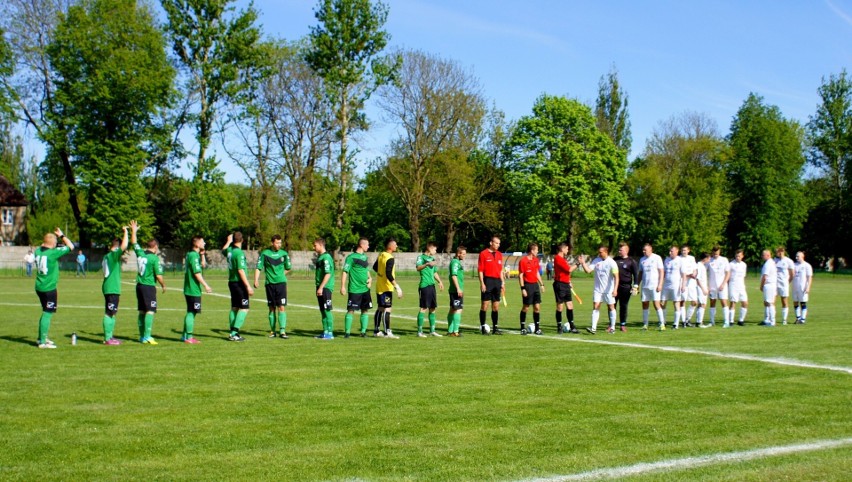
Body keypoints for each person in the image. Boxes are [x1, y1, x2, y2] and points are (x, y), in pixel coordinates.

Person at [33, 227, 74, 348]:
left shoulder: (37, 251)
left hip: (39, 286)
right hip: (49, 287)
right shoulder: (53, 253)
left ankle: (42, 337)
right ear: (52, 243)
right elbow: (71, 246)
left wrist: (50, 239)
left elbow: (42, 245)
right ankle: (42, 342)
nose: (57, 243)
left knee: (45, 311)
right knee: (47, 312)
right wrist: (62, 235)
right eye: (55, 241)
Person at [131, 226, 166, 344]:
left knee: (141, 311)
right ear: (155, 246)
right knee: (150, 311)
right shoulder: (154, 258)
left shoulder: (140, 253)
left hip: (139, 286)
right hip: (148, 286)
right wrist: (163, 285)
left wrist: (134, 231)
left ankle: (142, 336)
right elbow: (159, 275)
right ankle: (147, 336)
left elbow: (134, 242)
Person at [254, 234, 292, 338]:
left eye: (280, 243)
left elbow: (288, 267)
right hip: (269, 284)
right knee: (271, 308)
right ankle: (272, 331)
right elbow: (258, 267)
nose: (279, 245)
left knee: (281, 307)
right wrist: (256, 279)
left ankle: (282, 331)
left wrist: (280, 275)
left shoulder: (284, 254)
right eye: (277, 243)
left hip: (281, 284)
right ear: (272, 243)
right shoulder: (265, 254)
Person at [578, 246, 619, 334]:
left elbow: (616, 277)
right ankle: (593, 328)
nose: (599, 254)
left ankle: (612, 327)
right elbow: (588, 271)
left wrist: (615, 289)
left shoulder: (612, 263)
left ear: (606, 252)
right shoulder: (596, 260)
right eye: (599, 252)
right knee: (596, 307)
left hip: (608, 290)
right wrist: (583, 263)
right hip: (598, 290)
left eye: (601, 252)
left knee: (611, 307)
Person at [101, 224, 130, 345]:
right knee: (110, 312)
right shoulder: (112, 255)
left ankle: (110, 337)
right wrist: (126, 231)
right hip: (111, 287)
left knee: (112, 312)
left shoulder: (107, 256)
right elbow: (124, 245)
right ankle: (108, 338)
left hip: (110, 287)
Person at [223, 232, 254, 342]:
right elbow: (241, 271)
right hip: (239, 283)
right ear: (242, 240)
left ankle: (233, 332)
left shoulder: (230, 252)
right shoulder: (239, 253)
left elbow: (223, 250)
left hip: (232, 282)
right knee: (244, 308)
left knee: (235, 308)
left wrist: (228, 241)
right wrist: (248, 286)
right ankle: (234, 333)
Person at [183, 235, 213, 344]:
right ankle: (189, 337)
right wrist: (206, 285)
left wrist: (202, 255)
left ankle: (185, 335)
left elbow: (202, 265)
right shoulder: (193, 256)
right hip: (192, 289)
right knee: (192, 312)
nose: (204, 243)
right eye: (203, 242)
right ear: (197, 244)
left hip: (190, 288)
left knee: (190, 312)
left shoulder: (193, 254)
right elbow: (197, 273)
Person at [341, 237, 372, 338]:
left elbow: (367, 271)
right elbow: (345, 272)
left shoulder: (364, 257)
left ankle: (363, 332)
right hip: (355, 289)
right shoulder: (351, 257)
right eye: (367, 244)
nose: (368, 246)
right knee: (351, 310)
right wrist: (343, 286)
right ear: (361, 245)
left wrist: (370, 279)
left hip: (365, 289)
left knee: (365, 310)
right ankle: (347, 333)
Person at [373, 238, 403, 338]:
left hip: (379, 286)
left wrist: (380, 275)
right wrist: (397, 286)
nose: (397, 246)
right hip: (386, 287)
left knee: (380, 308)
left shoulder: (381, 255)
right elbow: (389, 274)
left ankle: (376, 331)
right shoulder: (389, 258)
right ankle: (387, 332)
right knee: (387, 309)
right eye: (395, 245)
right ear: (390, 246)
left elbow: (374, 267)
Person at [416, 241, 444, 337]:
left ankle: (432, 331)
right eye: (435, 249)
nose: (436, 251)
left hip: (432, 286)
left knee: (432, 308)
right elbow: (418, 268)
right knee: (423, 308)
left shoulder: (432, 259)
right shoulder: (421, 257)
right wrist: (427, 264)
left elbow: (434, 272)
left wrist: (439, 281)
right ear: (429, 248)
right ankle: (420, 331)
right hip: (424, 285)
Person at [478, 236, 505, 335]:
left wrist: (502, 282)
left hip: (497, 282)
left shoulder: (499, 254)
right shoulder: (483, 254)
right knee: (484, 306)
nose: (498, 245)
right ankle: (483, 327)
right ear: (491, 243)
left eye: (499, 243)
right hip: (487, 281)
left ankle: (495, 328)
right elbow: (480, 270)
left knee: (496, 306)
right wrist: (482, 283)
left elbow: (500, 270)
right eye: (496, 243)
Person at [518, 243, 545, 335]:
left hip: (535, 286)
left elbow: (537, 272)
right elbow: (521, 276)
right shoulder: (523, 261)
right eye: (536, 250)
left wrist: (542, 284)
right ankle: (522, 327)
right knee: (526, 307)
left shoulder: (536, 260)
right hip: (527, 286)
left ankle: (537, 328)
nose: (537, 251)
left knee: (537, 307)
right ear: (532, 250)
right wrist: (523, 288)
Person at [552, 243, 579, 334]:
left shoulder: (563, 259)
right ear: (562, 249)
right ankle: (559, 326)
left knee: (570, 305)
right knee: (560, 307)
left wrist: (569, 281)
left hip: (566, 284)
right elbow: (569, 270)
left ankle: (572, 326)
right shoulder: (558, 258)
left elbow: (566, 273)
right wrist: (578, 263)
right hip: (560, 285)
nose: (568, 251)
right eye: (567, 249)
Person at [613, 242, 639, 332]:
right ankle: (612, 324)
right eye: (619, 249)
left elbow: (636, 275)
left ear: (626, 251)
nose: (619, 251)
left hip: (626, 287)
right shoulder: (614, 260)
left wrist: (635, 286)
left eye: (621, 250)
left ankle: (622, 324)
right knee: (612, 305)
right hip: (615, 286)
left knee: (623, 306)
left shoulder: (631, 261)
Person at [638, 243, 665, 330]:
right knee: (645, 304)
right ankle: (645, 324)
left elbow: (661, 271)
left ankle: (662, 323)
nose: (643, 251)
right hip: (645, 285)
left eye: (645, 250)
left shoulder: (657, 258)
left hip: (654, 285)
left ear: (650, 249)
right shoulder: (642, 259)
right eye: (643, 250)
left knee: (656, 304)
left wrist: (660, 284)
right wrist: (636, 284)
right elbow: (640, 273)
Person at [314, 237, 335, 339]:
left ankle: (330, 333)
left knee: (327, 309)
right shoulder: (320, 257)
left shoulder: (326, 258)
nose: (314, 247)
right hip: (320, 286)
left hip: (325, 287)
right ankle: (325, 331)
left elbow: (328, 274)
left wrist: (321, 287)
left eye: (315, 245)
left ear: (321, 245)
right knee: (322, 310)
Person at [661, 246, 685, 330]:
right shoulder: (666, 260)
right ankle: (663, 322)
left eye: (671, 251)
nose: (670, 253)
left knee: (676, 303)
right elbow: (663, 272)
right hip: (666, 285)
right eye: (669, 251)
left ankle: (676, 324)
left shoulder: (680, 260)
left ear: (676, 251)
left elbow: (683, 274)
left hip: (676, 285)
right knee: (663, 303)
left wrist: (683, 285)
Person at [707, 246, 731, 326]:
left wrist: (724, 283)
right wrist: (707, 285)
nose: (715, 253)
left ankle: (726, 322)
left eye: (717, 252)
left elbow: (728, 273)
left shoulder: (724, 260)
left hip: (722, 285)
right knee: (712, 302)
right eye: (714, 252)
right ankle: (712, 321)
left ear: (719, 251)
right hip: (712, 286)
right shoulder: (709, 260)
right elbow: (704, 271)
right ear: (712, 252)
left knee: (724, 302)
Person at [446, 246, 466, 337]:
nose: (464, 256)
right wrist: (458, 288)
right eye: (463, 254)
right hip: (456, 290)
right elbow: (454, 276)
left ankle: (450, 331)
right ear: (458, 254)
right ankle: (455, 331)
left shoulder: (456, 262)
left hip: (455, 290)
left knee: (453, 309)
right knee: (458, 309)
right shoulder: (455, 262)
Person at [726, 249, 748, 327]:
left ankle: (741, 320)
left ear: (742, 256)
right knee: (733, 302)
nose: (737, 257)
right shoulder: (731, 264)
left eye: (739, 256)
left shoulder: (744, 265)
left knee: (745, 303)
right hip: (733, 285)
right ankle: (731, 321)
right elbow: (728, 276)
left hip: (741, 286)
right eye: (736, 256)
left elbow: (743, 276)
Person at [774, 247, 795, 325]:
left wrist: (787, 282)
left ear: (782, 252)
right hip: (775, 284)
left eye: (778, 252)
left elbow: (792, 274)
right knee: (773, 301)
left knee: (784, 301)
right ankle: (772, 319)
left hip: (784, 284)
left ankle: (784, 320)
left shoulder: (788, 261)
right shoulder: (774, 260)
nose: (777, 254)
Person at [792, 251, 813, 324]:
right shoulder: (794, 265)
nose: (796, 258)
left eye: (798, 256)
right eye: (796, 256)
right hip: (795, 287)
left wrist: (808, 287)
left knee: (803, 303)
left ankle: (803, 319)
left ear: (802, 257)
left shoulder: (807, 265)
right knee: (795, 302)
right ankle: (798, 318)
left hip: (803, 287)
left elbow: (809, 277)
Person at [679, 245, 698, 326]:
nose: (684, 252)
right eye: (682, 250)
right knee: (682, 301)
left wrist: (694, 274)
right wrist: (687, 275)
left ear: (688, 250)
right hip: (682, 282)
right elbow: (678, 273)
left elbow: (695, 269)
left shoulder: (691, 258)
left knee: (694, 302)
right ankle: (683, 321)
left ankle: (687, 319)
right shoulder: (678, 259)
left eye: (685, 250)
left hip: (691, 283)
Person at [759, 249, 777, 326]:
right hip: (771, 284)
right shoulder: (771, 262)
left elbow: (765, 276)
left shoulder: (768, 264)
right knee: (767, 302)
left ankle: (772, 321)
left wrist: (761, 285)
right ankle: (767, 319)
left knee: (769, 303)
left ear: (768, 255)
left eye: (763, 255)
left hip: (769, 284)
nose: (762, 256)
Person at [694, 252, 711, 327]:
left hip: (703, 287)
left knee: (701, 304)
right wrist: (703, 289)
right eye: (709, 258)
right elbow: (698, 279)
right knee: (702, 304)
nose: (709, 260)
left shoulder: (702, 266)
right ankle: (699, 322)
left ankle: (699, 321)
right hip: (700, 288)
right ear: (705, 258)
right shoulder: (699, 266)